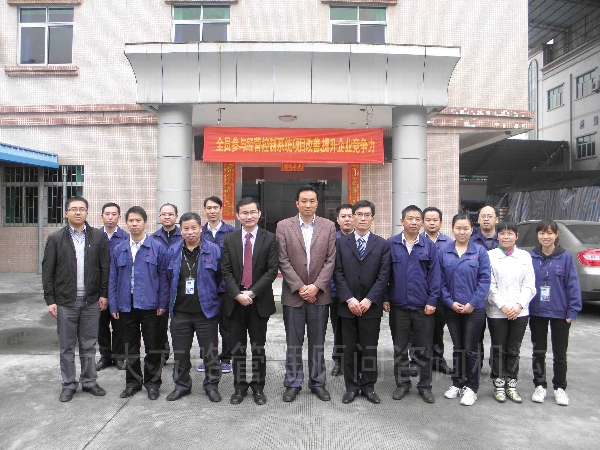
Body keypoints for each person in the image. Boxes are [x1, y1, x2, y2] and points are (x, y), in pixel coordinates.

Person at [42, 196, 110, 402]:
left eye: (82, 209)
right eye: (73, 209)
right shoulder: (56, 238)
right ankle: (69, 384)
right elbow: (48, 271)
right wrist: (50, 300)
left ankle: (89, 381)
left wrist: (103, 294)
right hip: (65, 301)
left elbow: (105, 267)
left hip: (91, 301)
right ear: (66, 213)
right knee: (67, 346)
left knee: (89, 344)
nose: (78, 212)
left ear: (87, 212)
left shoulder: (98, 237)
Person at [277, 185, 337, 403]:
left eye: (312, 201)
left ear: (317, 203)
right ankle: (293, 383)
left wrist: (316, 287)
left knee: (317, 342)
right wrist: (301, 287)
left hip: (320, 295)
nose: (308, 205)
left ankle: (317, 382)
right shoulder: (283, 226)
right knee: (293, 343)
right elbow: (283, 259)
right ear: (297, 203)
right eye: (304, 201)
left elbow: (331, 260)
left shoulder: (329, 226)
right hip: (293, 295)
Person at [221, 198, 279, 405]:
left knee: (258, 347)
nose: (249, 216)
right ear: (238, 215)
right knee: (237, 347)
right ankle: (239, 387)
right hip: (235, 302)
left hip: (259, 302)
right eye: (244, 213)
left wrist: (252, 293)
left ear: (259, 213)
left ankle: (258, 387)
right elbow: (225, 270)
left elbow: (272, 270)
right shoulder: (230, 239)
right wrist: (237, 294)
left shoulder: (270, 238)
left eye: (253, 212)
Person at [108, 206, 169, 400]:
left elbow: (164, 278)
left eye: (138, 220)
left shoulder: (157, 247)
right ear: (126, 223)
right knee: (130, 347)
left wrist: (162, 303)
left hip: (151, 306)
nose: (134, 224)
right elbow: (112, 278)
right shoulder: (119, 249)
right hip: (126, 305)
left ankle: (153, 383)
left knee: (153, 346)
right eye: (131, 221)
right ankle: (132, 383)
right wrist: (113, 304)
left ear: (145, 222)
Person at [334, 200, 390, 404]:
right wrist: (349, 299)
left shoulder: (382, 244)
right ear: (353, 217)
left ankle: (368, 386)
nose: (363, 218)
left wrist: (369, 300)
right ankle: (351, 387)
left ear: (372, 218)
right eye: (359, 214)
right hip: (347, 306)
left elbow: (383, 276)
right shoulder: (341, 243)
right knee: (349, 349)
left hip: (371, 307)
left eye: (367, 215)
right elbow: (337, 273)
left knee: (369, 348)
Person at [384, 205, 440, 404]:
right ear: (402, 221)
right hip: (398, 307)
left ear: (422, 223)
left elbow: (435, 276)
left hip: (423, 307)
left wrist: (432, 300)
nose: (414, 222)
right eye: (410, 218)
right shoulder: (391, 244)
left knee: (424, 349)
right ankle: (403, 384)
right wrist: (385, 297)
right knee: (400, 348)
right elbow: (385, 275)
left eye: (418, 219)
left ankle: (425, 386)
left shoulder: (429, 246)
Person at [165, 212, 223, 402]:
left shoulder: (213, 250)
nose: (190, 232)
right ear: (180, 230)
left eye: (193, 228)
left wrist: (217, 303)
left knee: (210, 353)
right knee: (180, 353)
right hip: (180, 312)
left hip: (206, 312)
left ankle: (212, 386)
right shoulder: (173, 251)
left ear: (200, 228)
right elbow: (166, 280)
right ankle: (182, 386)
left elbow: (221, 279)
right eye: (186, 228)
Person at [529, 219, 582, 406]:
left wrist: (573, 310)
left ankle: (560, 387)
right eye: (542, 233)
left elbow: (573, 285)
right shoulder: (531, 257)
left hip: (560, 312)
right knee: (539, 351)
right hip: (537, 311)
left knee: (560, 353)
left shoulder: (565, 258)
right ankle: (539, 385)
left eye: (550, 233)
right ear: (537, 235)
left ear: (556, 235)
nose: (546, 236)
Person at [440, 213, 491, 406]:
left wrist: (473, 303)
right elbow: (439, 281)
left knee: (471, 349)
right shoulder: (444, 251)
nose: (462, 232)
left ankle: (471, 387)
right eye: (458, 228)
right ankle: (457, 383)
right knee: (458, 347)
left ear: (472, 230)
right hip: (452, 309)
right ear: (452, 229)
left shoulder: (480, 252)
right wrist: (449, 302)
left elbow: (485, 280)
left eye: (466, 228)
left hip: (474, 310)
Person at [486, 221, 536, 403]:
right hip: (497, 311)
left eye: (510, 233)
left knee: (514, 349)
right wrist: (503, 306)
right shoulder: (490, 256)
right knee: (498, 348)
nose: (506, 236)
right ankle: (499, 384)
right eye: (502, 233)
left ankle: (511, 384)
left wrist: (519, 305)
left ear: (516, 236)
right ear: (497, 236)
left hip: (519, 312)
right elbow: (489, 284)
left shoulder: (524, 256)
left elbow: (529, 285)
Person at [198, 196, 236, 374]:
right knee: (205, 326)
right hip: (204, 288)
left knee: (226, 326)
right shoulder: (200, 232)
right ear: (204, 210)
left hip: (226, 288)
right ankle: (208, 359)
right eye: (209, 208)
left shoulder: (231, 232)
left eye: (215, 207)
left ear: (221, 209)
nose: (212, 211)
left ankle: (226, 359)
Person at [97, 202, 129, 371]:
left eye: (114, 214)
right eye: (107, 214)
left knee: (119, 324)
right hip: (99, 289)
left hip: (119, 287)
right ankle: (105, 356)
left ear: (119, 217)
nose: (110, 217)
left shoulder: (125, 237)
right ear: (101, 216)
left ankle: (119, 356)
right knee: (101, 324)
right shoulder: (95, 237)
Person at [152, 203, 183, 362]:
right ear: (160, 217)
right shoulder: (153, 238)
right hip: (160, 287)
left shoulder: (183, 235)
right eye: (164, 214)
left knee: (180, 324)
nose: (167, 217)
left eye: (170, 214)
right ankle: (163, 351)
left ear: (176, 216)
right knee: (159, 322)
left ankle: (181, 354)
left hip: (180, 285)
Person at [422, 206, 452, 374]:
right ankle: (417, 360)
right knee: (418, 330)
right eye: (428, 220)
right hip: (421, 294)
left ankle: (438, 359)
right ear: (423, 222)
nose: (432, 223)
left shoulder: (449, 243)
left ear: (440, 222)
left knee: (438, 329)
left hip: (441, 295)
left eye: (435, 220)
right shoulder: (417, 241)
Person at [470, 205, 499, 368]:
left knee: (498, 336)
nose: (486, 219)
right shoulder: (471, 241)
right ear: (478, 219)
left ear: (497, 219)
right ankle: (476, 367)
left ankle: (497, 369)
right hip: (477, 295)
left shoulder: (503, 240)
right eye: (483, 216)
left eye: (490, 216)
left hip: (499, 297)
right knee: (476, 335)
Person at [330, 203, 354, 377]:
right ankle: (339, 361)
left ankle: (355, 361)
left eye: (350, 216)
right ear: (337, 220)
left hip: (358, 296)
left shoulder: (362, 239)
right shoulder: (332, 240)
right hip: (336, 294)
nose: (347, 219)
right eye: (343, 216)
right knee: (338, 330)